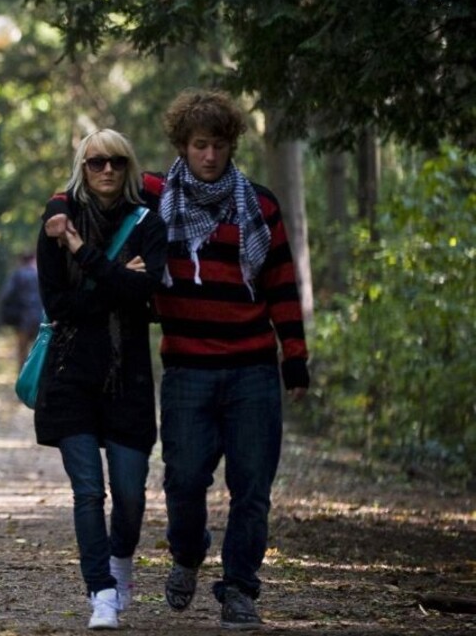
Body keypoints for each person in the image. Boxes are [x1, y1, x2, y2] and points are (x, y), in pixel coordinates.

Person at [146, 89, 309, 631]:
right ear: (183, 146)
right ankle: (188, 553)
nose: (209, 156)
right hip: (188, 370)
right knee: (184, 480)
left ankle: (240, 588)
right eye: (199, 145)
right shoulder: (156, 201)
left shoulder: (258, 206)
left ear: (231, 145)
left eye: (218, 145)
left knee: (252, 488)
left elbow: (283, 283)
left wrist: (296, 357)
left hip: (252, 370)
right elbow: (85, 188)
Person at [36, 129, 168, 630]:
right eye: (96, 163)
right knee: (89, 492)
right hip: (71, 375)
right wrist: (118, 281)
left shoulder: (147, 223)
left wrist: (82, 253)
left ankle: (121, 561)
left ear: (128, 166)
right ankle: (102, 591)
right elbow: (58, 305)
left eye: (116, 161)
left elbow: (147, 292)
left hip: (127, 378)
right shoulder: (55, 221)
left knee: (131, 496)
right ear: (82, 167)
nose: (107, 170)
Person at [0, 252, 44, 365]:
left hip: (22, 319)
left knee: (22, 351)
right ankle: (36, 377)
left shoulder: (17, 275)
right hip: (40, 318)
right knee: (39, 350)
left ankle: (23, 377)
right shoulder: (41, 275)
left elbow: (6, 295)